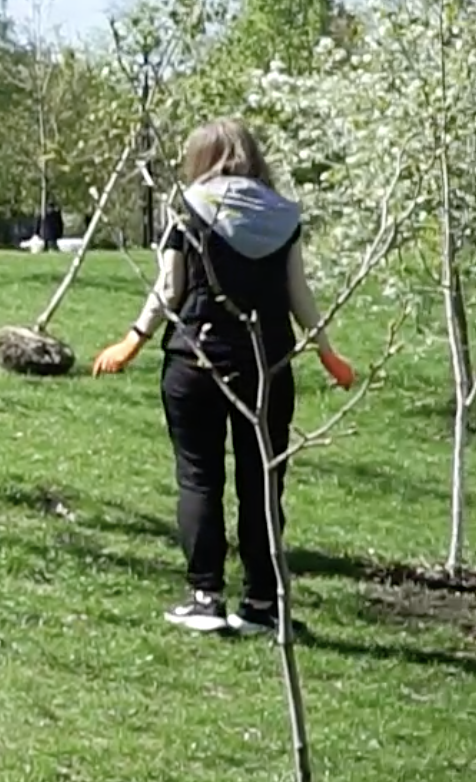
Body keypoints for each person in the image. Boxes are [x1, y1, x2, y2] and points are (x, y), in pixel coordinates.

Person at [92, 118, 354, 634]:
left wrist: (132, 340)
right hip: (266, 364)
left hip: (197, 358)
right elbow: (298, 291)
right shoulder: (282, 216)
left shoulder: (189, 207)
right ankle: (262, 604)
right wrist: (327, 351)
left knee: (199, 477)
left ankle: (205, 597)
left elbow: (170, 288)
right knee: (263, 482)